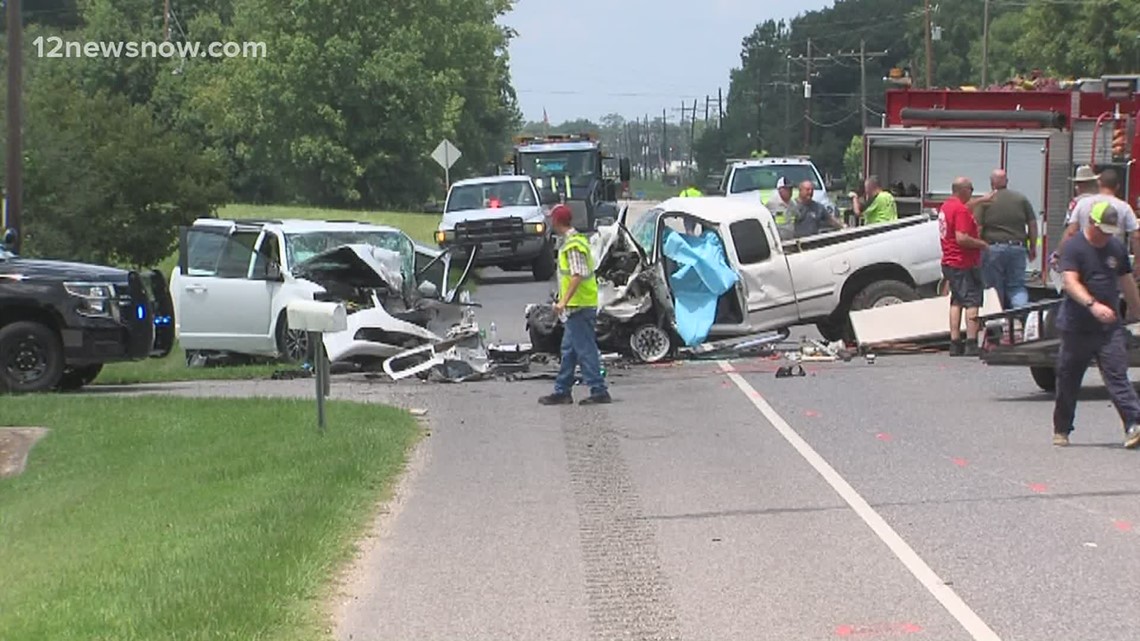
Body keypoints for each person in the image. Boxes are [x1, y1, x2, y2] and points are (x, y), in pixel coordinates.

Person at [1052, 200, 1140, 448]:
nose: (1105, 237)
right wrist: (1093, 305)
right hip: (1076, 325)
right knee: (1069, 378)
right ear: (1091, 223)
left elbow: (1127, 282)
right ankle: (1062, 428)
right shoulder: (1074, 247)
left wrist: (1137, 310)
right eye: (1102, 230)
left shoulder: (1115, 248)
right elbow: (1070, 282)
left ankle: (1134, 424)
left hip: (1108, 328)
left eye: (1110, 232)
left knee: (1117, 376)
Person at [539, 204, 611, 406]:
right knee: (569, 350)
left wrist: (563, 302)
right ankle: (562, 391)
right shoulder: (572, 242)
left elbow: (577, 275)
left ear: (556, 221)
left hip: (580, 307)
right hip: (577, 307)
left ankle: (599, 390)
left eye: (551, 219)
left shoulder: (573, 245)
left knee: (585, 350)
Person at [939, 177, 990, 356]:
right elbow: (961, 238)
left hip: (949, 261)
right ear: (963, 190)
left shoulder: (947, 206)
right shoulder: (960, 210)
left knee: (957, 300)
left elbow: (967, 207)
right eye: (971, 188)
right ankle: (971, 342)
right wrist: (981, 244)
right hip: (963, 262)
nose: (972, 192)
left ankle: (954, 342)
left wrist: (983, 200)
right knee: (972, 300)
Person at [975, 169, 1038, 310]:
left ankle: (999, 322)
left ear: (991, 183)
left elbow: (978, 228)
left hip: (993, 249)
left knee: (994, 289)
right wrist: (1032, 246)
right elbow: (1032, 224)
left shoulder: (985, 201)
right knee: (1016, 287)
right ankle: (1021, 318)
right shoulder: (1021, 199)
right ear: (1007, 182)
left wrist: (977, 249)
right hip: (1018, 248)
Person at [1062, 169, 1140, 277]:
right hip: (1114, 258)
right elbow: (1135, 236)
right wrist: (1137, 262)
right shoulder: (1124, 207)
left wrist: (1060, 255)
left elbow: (1070, 232)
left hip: (1086, 255)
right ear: (1117, 187)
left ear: (1099, 183)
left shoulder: (1082, 203)